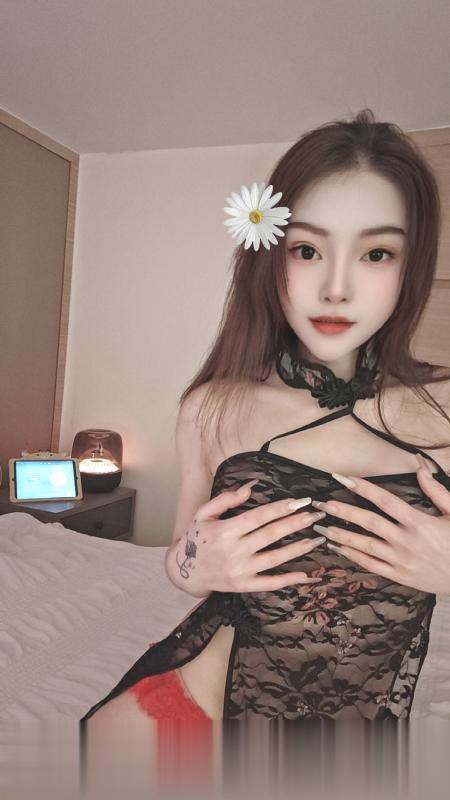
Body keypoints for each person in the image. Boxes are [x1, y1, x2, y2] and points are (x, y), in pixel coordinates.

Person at [81, 108, 450, 725]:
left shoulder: (443, 405)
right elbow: (181, 561)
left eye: (376, 253)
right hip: (190, 715)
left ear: (410, 266)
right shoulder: (212, 407)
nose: (335, 287)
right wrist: (197, 563)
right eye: (307, 249)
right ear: (271, 256)